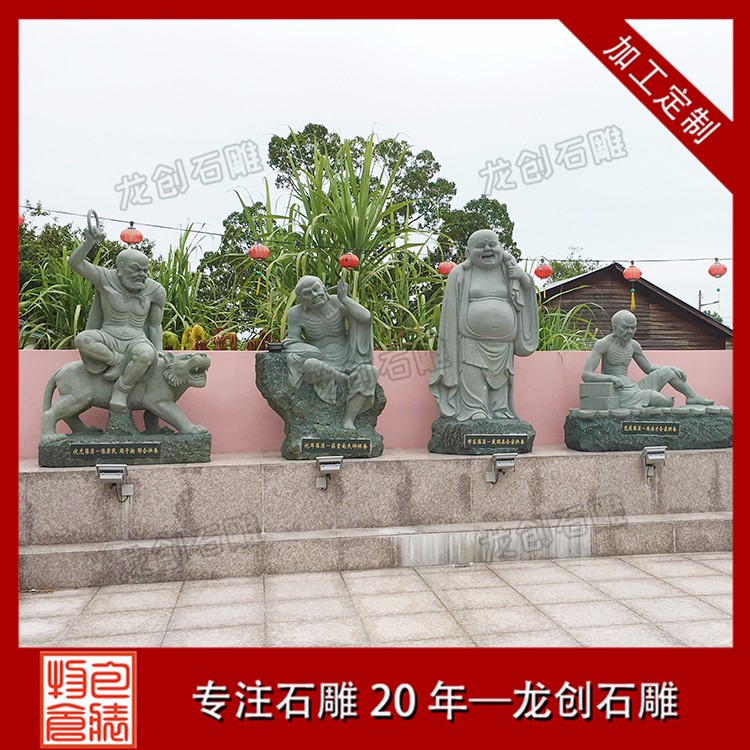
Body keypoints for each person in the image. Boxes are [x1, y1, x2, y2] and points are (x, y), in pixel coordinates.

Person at [429, 228, 539, 420]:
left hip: (504, 342)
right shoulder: (460, 273)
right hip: (471, 339)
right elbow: (450, 311)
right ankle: (474, 409)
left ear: (501, 248)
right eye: (480, 246)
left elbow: (526, 294)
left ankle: (500, 408)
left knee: (502, 378)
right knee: (472, 374)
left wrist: (522, 276)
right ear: (468, 253)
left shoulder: (508, 270)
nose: (487, 249)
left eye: (492, 244)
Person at [68, 219, 166, 413]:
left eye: (145, 270)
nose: (142, 275)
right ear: (120, 267)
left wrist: (159, 352)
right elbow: (75, 263)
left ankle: (121, 390)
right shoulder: (105, 278)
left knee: (145, 355)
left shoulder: (155, 290)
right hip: (108, 336)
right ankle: (118, 362)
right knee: (82, 339)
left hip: (137, 339)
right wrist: (89, 242)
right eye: (136, 269)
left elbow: (154, 326)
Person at [283, 275, 379, 429]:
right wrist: (311, 350)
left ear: (324, 288)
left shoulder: (337, 302)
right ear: (301, 300)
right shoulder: (296, 313)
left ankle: (348, 420)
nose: (314, 295)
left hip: (349, 359)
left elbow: (365, 318)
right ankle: (346, 380)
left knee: (370, 372)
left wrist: (344, 298)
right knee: (310, 365)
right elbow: (291, 342)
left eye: (316, 289)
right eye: (307, 293)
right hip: (320, 361)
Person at [582, 309, 714, 408]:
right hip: (618, 391)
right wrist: (611, 378)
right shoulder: (604, 344)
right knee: (656, 398)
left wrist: (672, 368)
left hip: (634, 387)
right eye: (625, 328)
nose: (630, 332)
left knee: (667, 371)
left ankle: (692, 397)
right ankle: (655, 400)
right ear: (614, 327)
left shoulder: (633, 345)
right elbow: (586, 375)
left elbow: (648, 368)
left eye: (633, 328)